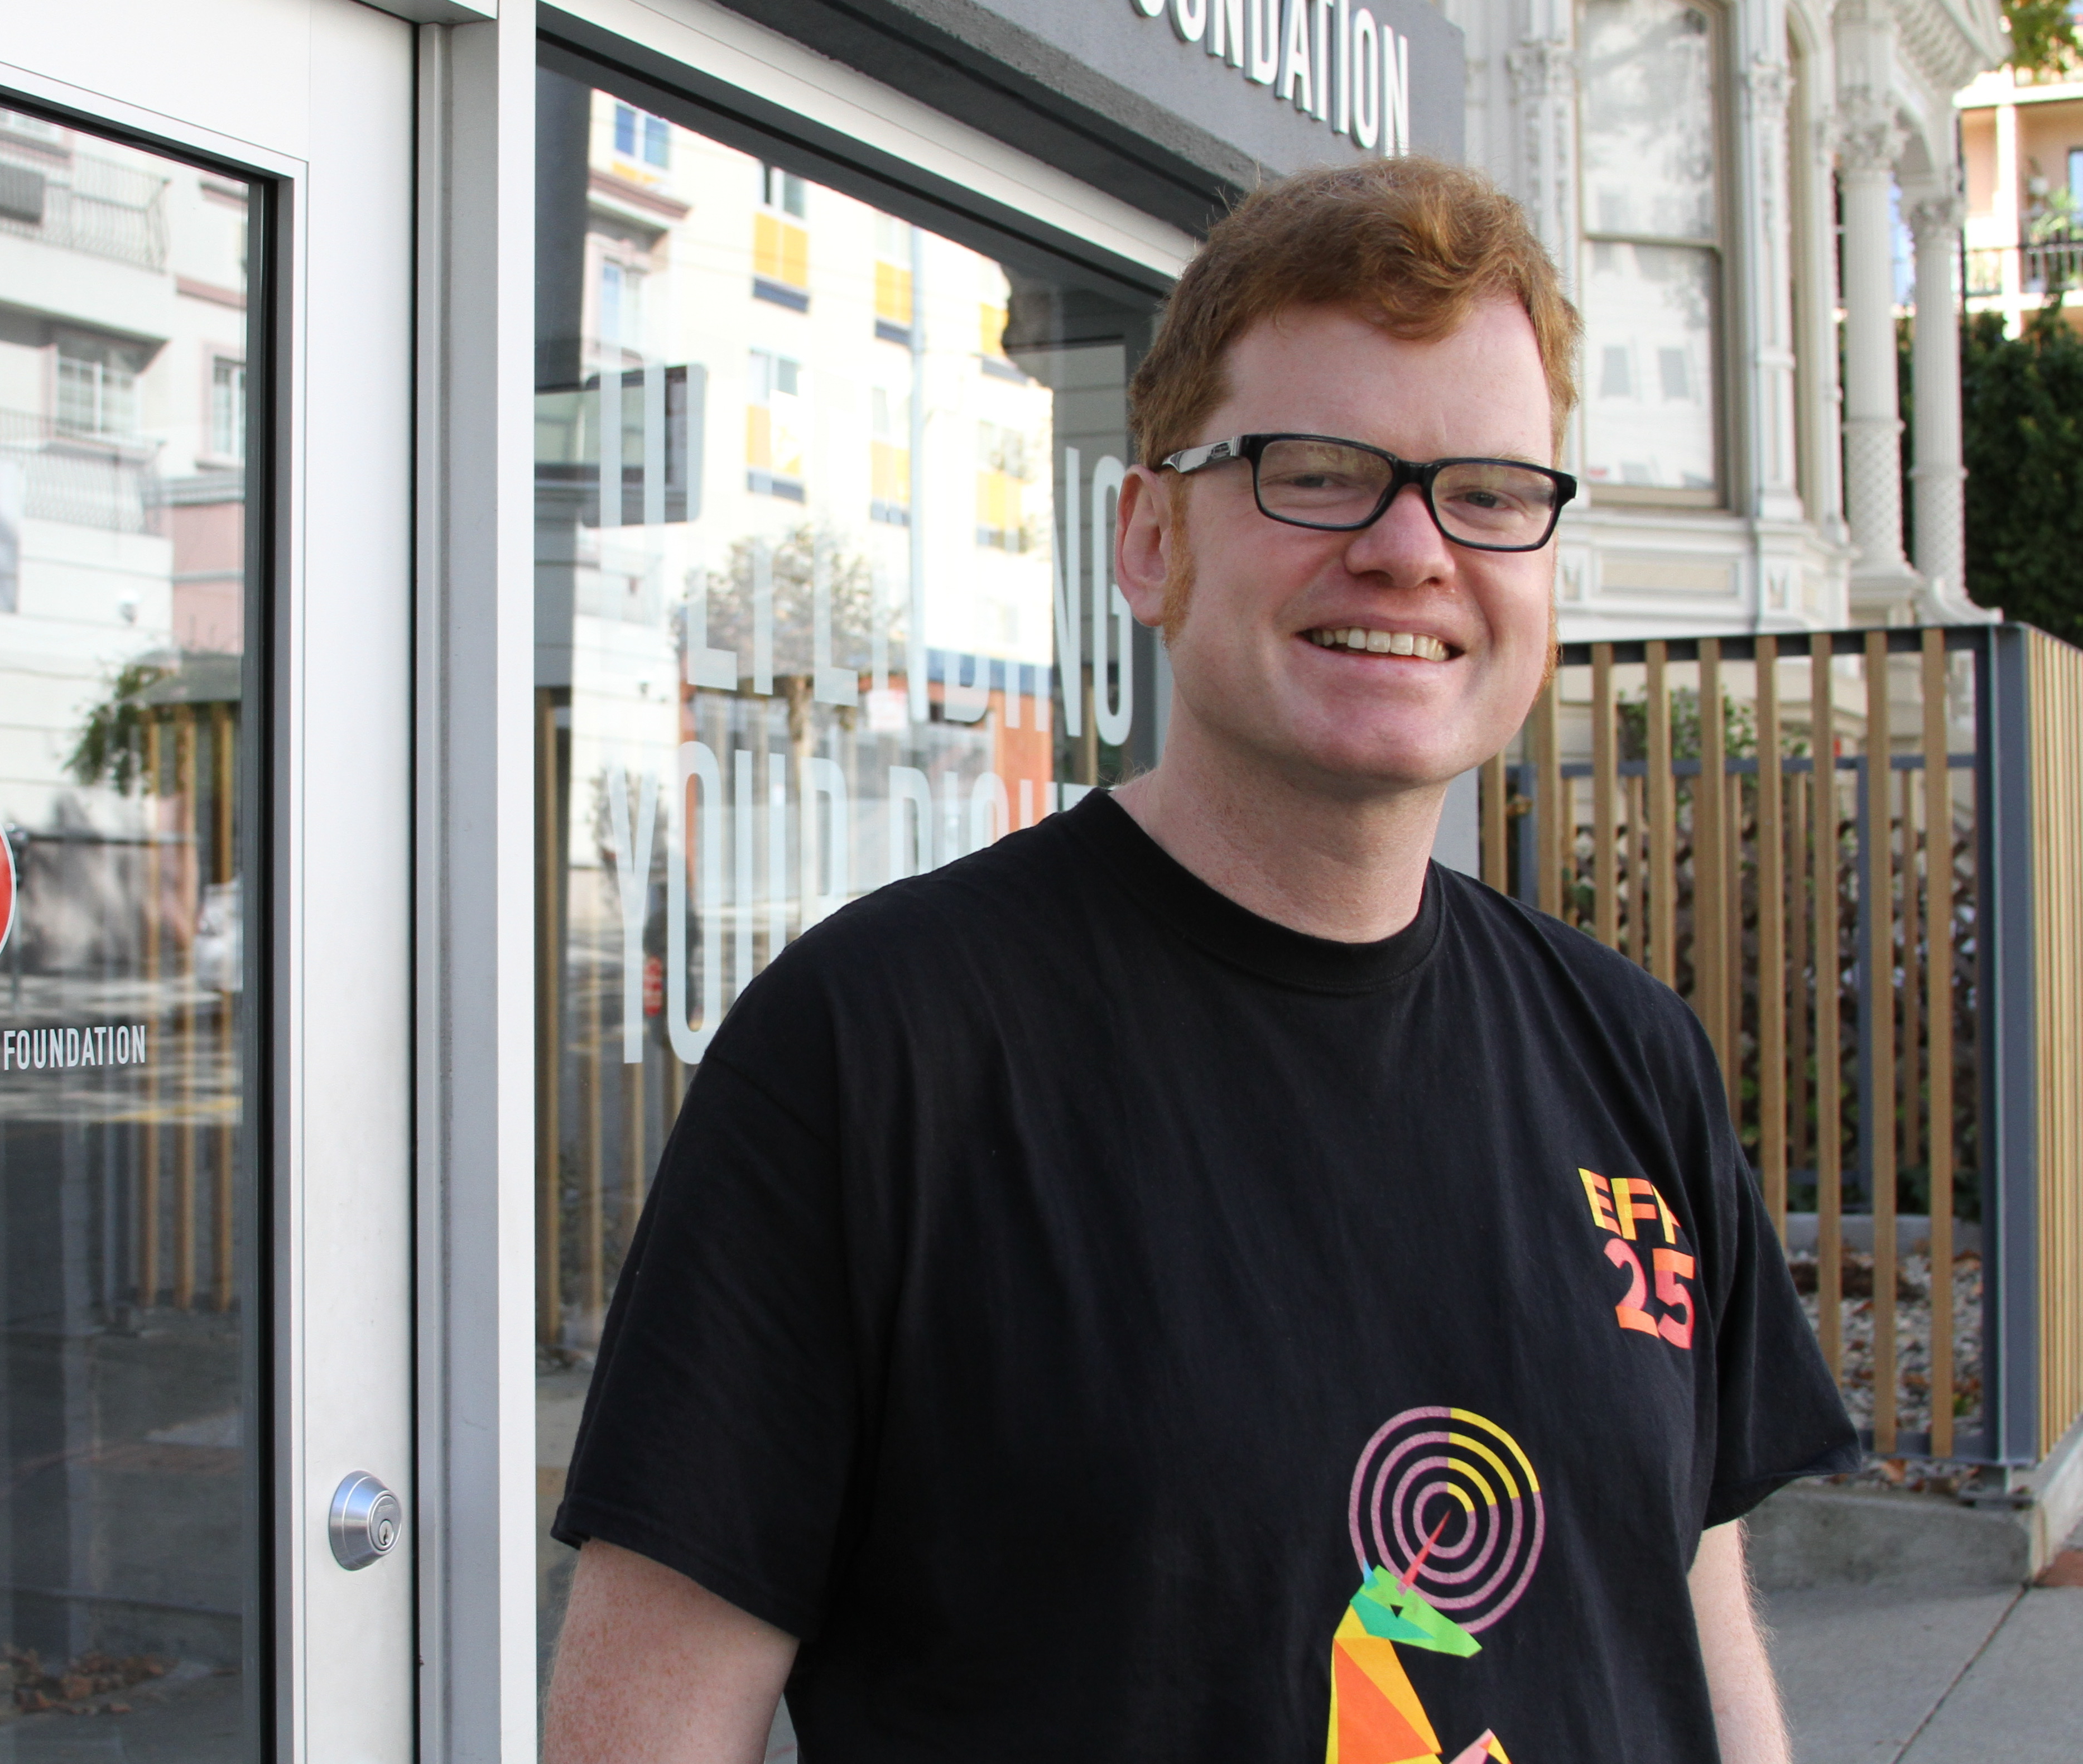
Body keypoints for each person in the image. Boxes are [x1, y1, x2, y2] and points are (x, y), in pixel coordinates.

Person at [543, 157, 1861, 1764]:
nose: (1411, 549)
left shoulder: (1631, 1051)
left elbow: (1687, 1618)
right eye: (1317, 471)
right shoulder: (874, 1053)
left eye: (1492, 491)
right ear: (1149, 536)